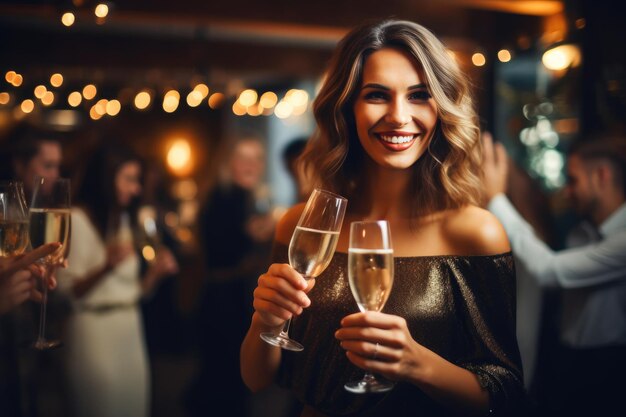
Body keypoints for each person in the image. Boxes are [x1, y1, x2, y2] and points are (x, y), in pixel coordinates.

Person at [240, 19, 527, 417]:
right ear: (347, 107)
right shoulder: (303, 225)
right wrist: (264, 321)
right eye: (377, 95)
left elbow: (506, 393)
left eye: (419, 95)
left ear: (441, 107)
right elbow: (256, 378)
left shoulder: (474, 231)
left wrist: (416, 363)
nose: (398, 116)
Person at [482, 133, 626, 417]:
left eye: (573, 180)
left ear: (601, 176)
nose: (566, 192)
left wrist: (496, 199)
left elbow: (549, 271)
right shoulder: (580, 233)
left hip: (609, 369)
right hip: (568, 365)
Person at [55, 144, 179, 417]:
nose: (135, 189)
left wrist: (155, 275)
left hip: (130, 330)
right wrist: (106, 267)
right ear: (105, 178)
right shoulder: (75, 220)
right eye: (129, 179)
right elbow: (67, 293)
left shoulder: (122, 220)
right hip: (94, 332)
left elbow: (133, 292)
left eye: (137, 180)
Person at [188, 136, 279, 417]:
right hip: (223, 302)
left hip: (224, 296)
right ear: (228, 163)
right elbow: (230, 246)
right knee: (227, 382)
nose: (251, 165)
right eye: (244, 158)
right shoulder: (227, 198)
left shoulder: (236, 197)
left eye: (257, 159)